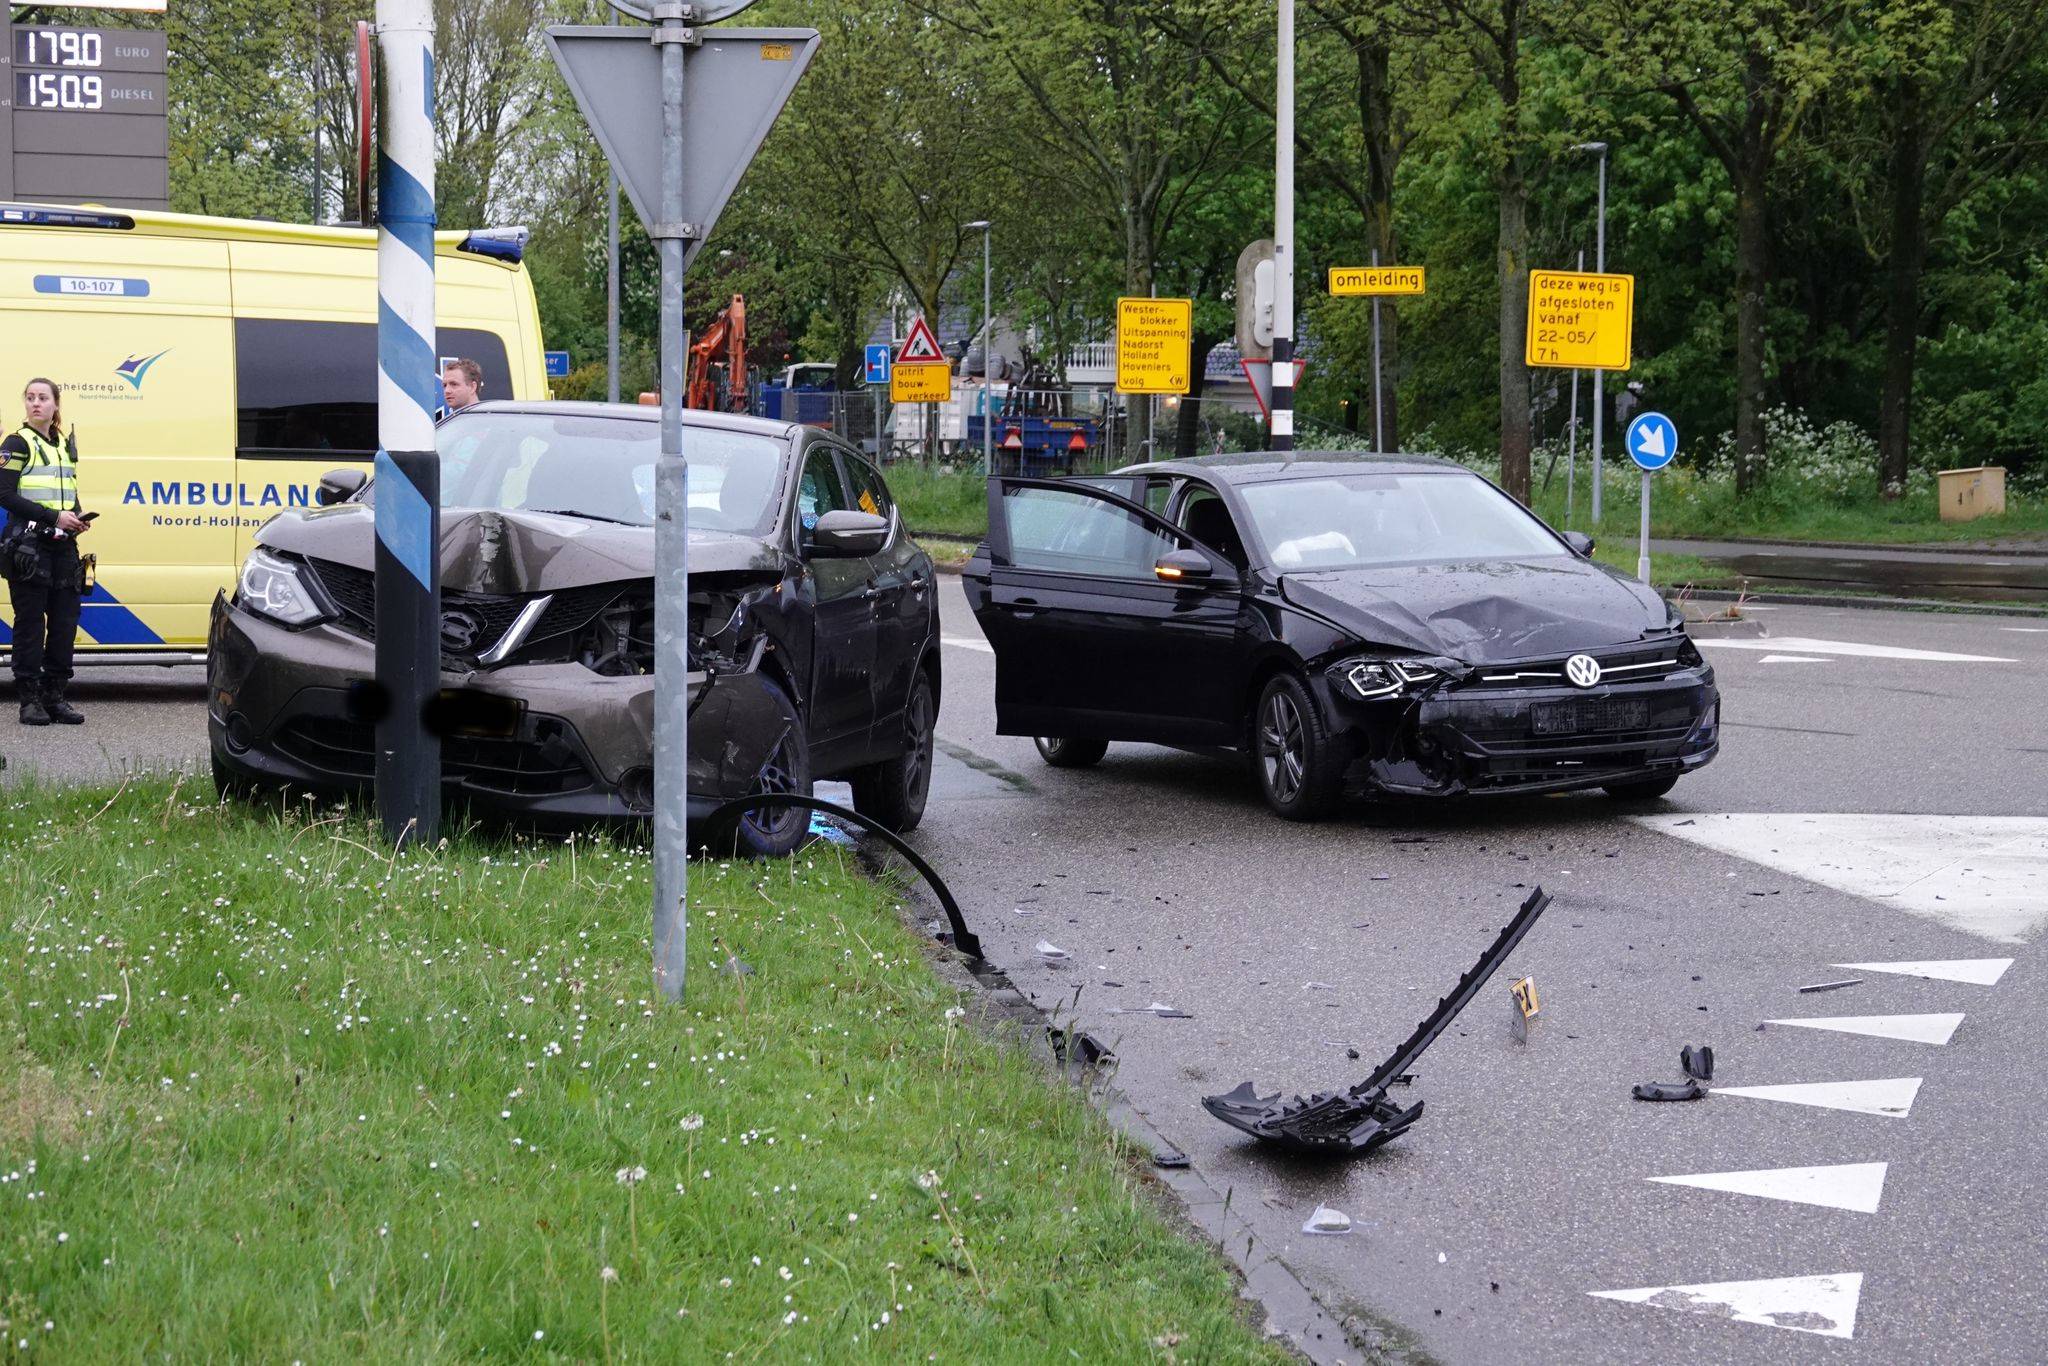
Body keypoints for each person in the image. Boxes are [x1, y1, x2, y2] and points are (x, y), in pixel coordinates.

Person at [0, 378, 89, 725]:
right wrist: (54, 517)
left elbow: (68, 491)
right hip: (28, 546)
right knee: (30, 625)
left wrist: (77, 517)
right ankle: (29, 700)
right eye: (30, 398)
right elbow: (4, 494)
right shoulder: (17, 443)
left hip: (63, 547)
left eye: (43, 398)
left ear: (55, 405)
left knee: (66, 623)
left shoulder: (63, 445)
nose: (36, 403)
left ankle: (55, 697)